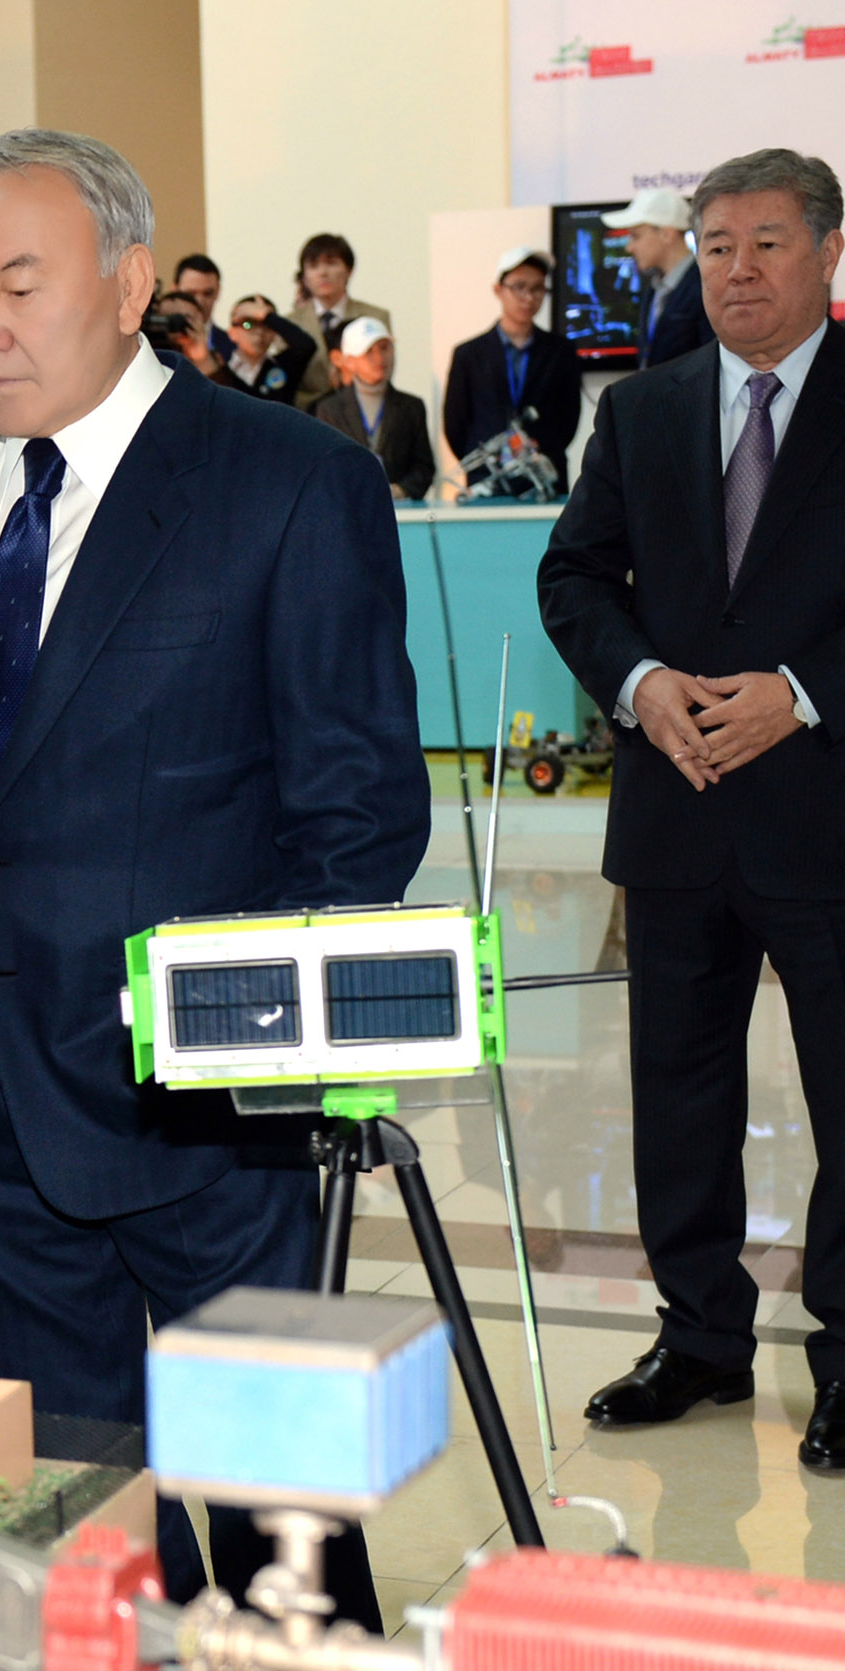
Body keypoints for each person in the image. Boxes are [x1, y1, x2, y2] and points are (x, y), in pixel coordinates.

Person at [0, 126, 423, 1621]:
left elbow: (357, 811)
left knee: (281, 1541)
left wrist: (234, 1050)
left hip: (208, 1123)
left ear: (125, 281)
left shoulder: (285, 482)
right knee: (75, 1534)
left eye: (18, 284)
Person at [539, 148, 845, 1469]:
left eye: (766, 242)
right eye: (716, 245)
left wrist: (804, 694)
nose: (737, 269)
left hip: (825, 813)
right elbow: (572, 576)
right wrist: (638, 680)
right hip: (675, 810)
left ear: (827, 251)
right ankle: (700, 1335)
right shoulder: (642, 411)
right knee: (675, 1092)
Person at [442, 247, 581, 491]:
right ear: (498, 289)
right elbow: (455, 425)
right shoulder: (468, 355)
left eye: (537, 288)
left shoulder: (561, 352)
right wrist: (484, 458)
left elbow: (568, 419)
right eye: (519, 287)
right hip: (487, 479)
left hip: (544, 479)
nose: (528, 297)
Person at [313, 316, 435, 500]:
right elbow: (324, 468)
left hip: (400, 510)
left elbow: (424, 466)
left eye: (385, 348)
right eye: (368, 351)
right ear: (349, 361)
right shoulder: (329, 409)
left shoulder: (411, 407)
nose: (379, 358)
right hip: (348, 507)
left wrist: (401, 490)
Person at [602, 187, 711, 367]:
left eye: (636, 236)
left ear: (667, 234)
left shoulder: (705, 288)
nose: (629, 247)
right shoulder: (655, 289)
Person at [287, 232, 390, 409]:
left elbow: (383, 370)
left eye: (331, 263)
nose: (323, 273)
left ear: (349, 271)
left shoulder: (374, 317)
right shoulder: (291, 323)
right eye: (313, 266)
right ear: (304, 276)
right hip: (306, 413)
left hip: (362, 411)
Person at [222, 292, 317, 403]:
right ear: (232, 332)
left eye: (267, 326)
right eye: (248, 324)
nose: (259, 332)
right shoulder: (220, 366)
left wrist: (266, 315)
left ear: (275, 334)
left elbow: (306, 345)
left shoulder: (283, 365)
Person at [170, 253, 235, 362]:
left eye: (207, 293)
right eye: (190, 293)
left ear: (218, 291)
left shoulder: (233, 347)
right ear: (175, 290)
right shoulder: (155, 341)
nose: (200, 301)